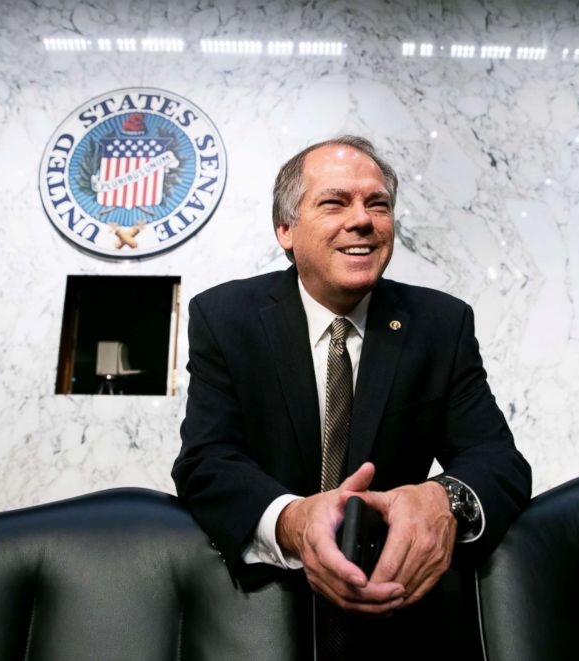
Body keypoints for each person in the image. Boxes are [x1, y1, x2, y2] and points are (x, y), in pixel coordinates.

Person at [172, 135, 530, 656]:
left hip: (402, 615)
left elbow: (498, 461)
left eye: (377, 204)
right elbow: (207, 460)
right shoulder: (226, 318)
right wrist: (293, 521)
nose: (362, 220)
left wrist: (441, 499)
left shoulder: (440, 325)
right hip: (261, 610)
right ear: (286, 229)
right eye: (334, 202)